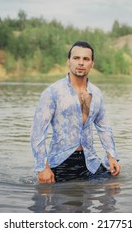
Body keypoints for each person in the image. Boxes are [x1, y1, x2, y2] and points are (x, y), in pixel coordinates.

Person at [30, 41, 120, 183]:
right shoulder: (53, 92)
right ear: (68, 61)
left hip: (90, 161)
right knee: (61, 201)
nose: (81, 63)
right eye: (76, 58)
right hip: (61, 161)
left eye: (86, 59)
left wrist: (111, 156)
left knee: (114, 186)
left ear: (92, 63)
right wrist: (42, 167)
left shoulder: (96, 93)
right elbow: (38, 132)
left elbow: (104, 128)